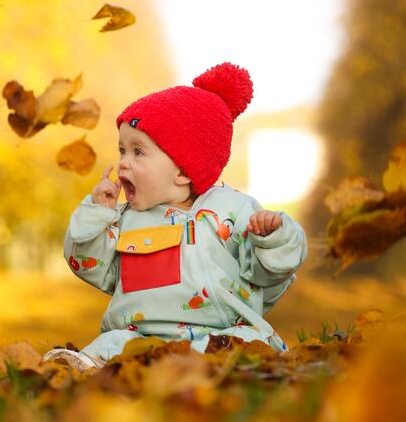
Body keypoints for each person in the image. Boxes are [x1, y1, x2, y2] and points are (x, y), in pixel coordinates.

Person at [45, 62, 308, 369]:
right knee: (111, 343)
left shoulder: (231, 210)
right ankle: (81, 367)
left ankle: (209, 369)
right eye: (121, 151)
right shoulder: (126, 219)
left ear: (183, 170)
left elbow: (268, 273)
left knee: (251, 341)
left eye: (138, 152)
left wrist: (272, 237)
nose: (123, 164)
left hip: (219, 335)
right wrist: (96, 215)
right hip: (140, 337)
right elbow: (87, 264)